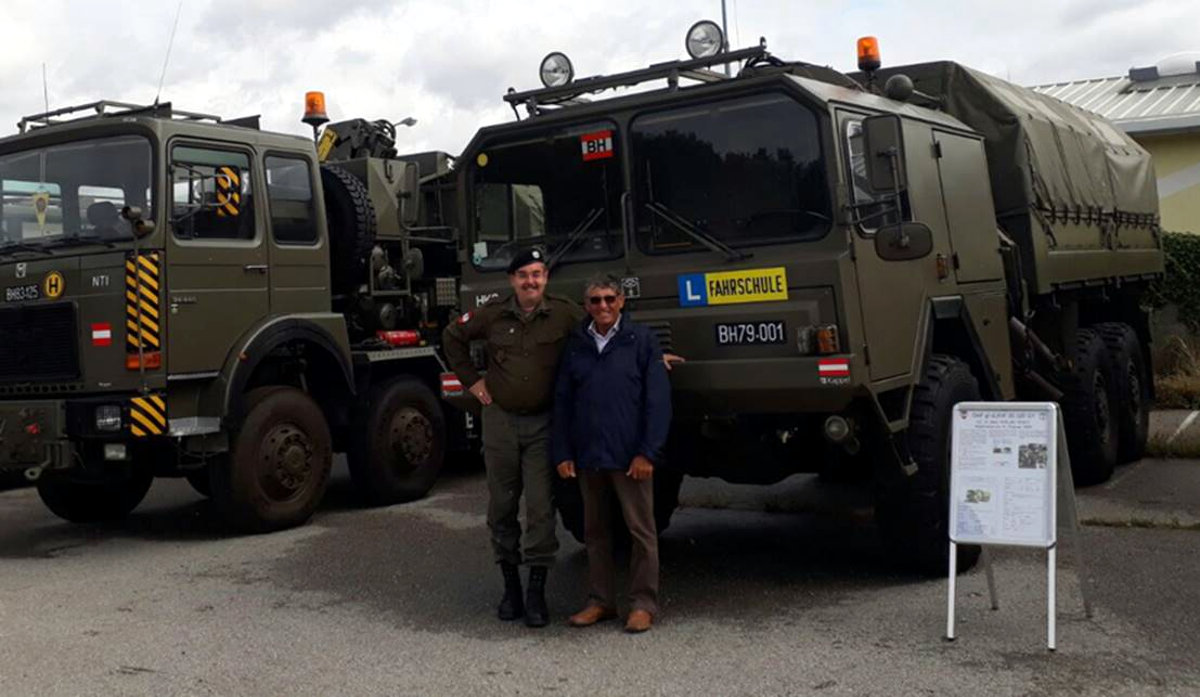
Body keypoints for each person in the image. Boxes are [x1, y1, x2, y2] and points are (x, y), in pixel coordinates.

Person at [442, 248, 584, 628]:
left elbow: (604, 332)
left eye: (537, 274)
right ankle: (511, 588)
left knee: (540, 508)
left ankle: (537, 591)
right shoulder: (493, 314)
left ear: (545, 278)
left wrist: (651, 356)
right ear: (512, 281)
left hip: (543, 426)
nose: (531, 281)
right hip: (500, 422)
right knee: (502, 507)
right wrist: (473, 382)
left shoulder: (564, 312)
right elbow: (452, 335)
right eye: (524, 275)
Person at [553, 273, 672, 633]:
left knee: (641, 531)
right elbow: (562, 403)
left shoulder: (642, 341)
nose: (602, 306)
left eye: (609, 299)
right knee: (595, 533)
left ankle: (643, 604)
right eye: (594, 301)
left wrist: (647, 453)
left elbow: (658, 402)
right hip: (589, 456)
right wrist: (563, 452)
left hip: (629, 456)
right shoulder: (576, 344)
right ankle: (600, 601)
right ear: (586, 306)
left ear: (621, 301)